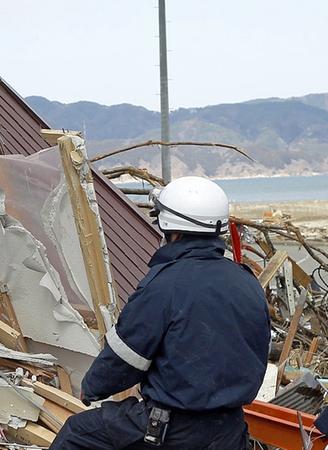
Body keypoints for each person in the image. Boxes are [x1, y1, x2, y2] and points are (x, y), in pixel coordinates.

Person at [50, 176, 271, 450]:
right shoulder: (247, 281)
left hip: (172, 430)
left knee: (77, 433)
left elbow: (127, 356)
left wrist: (92, 387)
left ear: (171, 230)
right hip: (229, 430)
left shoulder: (165, 284)